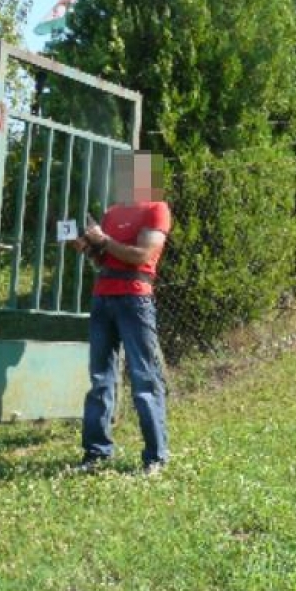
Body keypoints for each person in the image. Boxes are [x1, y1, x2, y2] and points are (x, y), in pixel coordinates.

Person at [71, 151, 171, 475]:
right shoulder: (113, 212)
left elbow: (142, 254)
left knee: (144, 379)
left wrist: (105, 239)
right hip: (103, 298)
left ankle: (155, 458)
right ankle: (96, 455)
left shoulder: (157, 209)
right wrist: (88, 248)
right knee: (100, 380)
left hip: (134, 300)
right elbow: (105, 259)